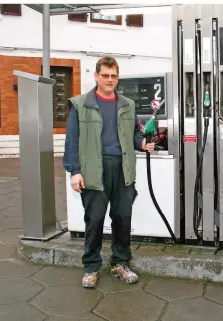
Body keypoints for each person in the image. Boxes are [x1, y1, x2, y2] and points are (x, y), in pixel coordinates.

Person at [63, 56, 155, 288]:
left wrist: (142, 144)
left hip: (122, 169)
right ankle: (91, 267)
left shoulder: (127, 104)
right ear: (96, 76)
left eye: (114, 76)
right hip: (94, 169)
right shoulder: (80, 104)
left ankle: (120, 262)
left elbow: (133, 134)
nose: (110, 80)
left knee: (122, 218)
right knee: (94, 220)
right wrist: (74, 171)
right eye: (105, 75)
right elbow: (71, 141)